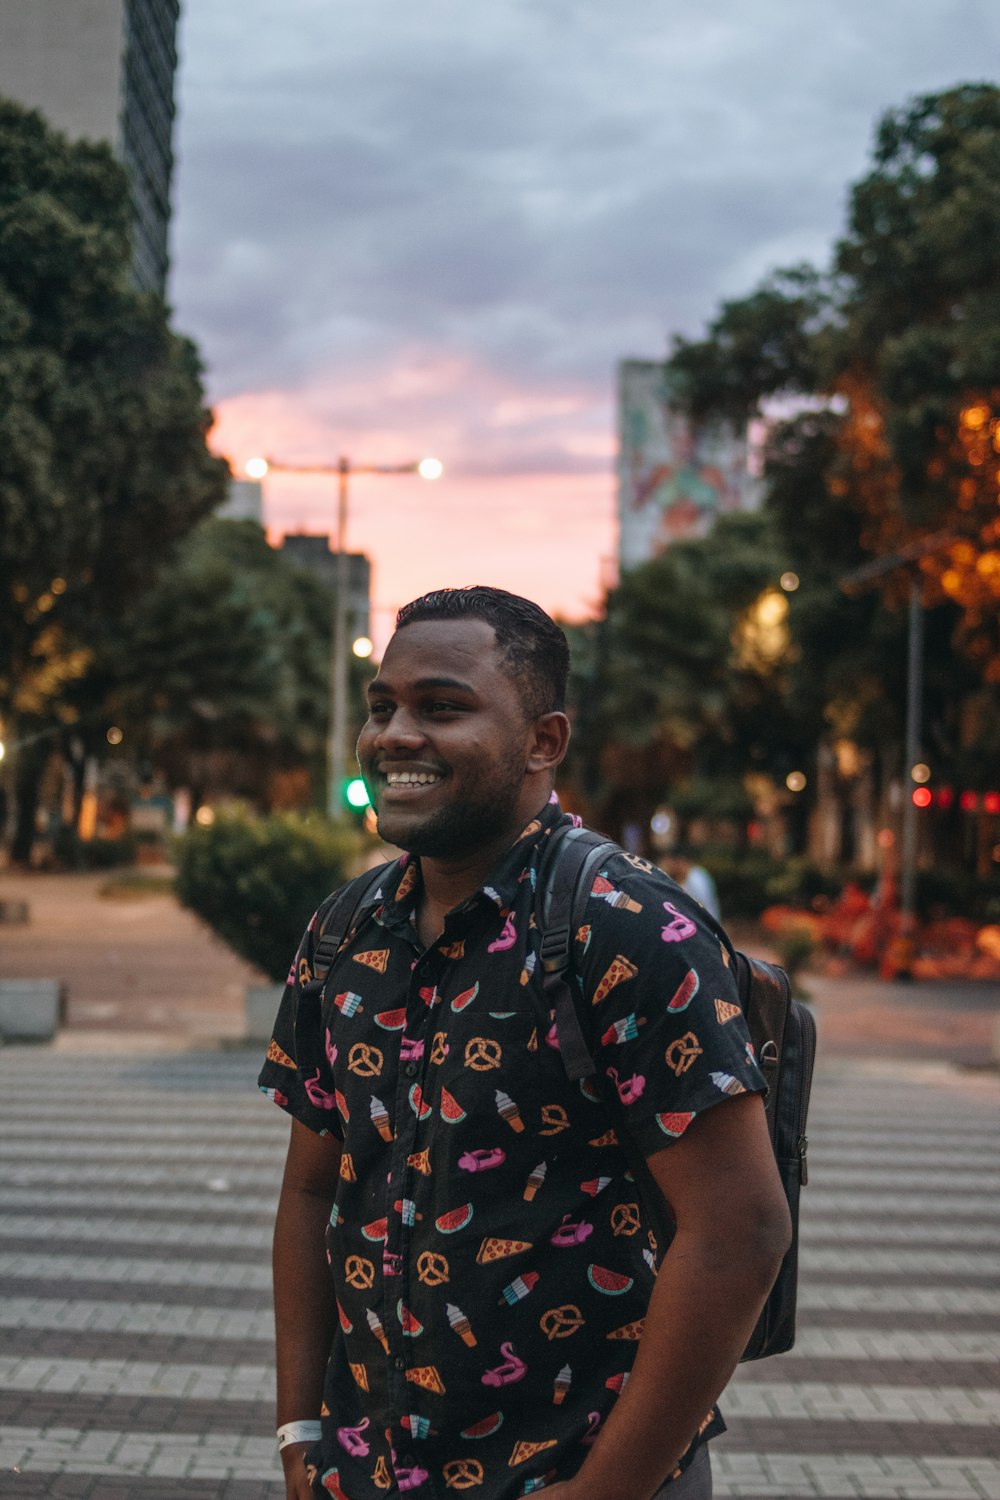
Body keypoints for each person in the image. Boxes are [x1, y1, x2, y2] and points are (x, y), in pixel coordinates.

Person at [258, 586, 790, 1500]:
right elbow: (313, 1191)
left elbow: (740, 1231)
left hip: (572, 1473)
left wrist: (601, 1494)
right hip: (370, 1471)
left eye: (443, 707)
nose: (394, 734)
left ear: (544, 741)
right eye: (383, 705)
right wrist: (301, 1432)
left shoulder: (625, 929)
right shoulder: (345, 931)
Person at [662, 849, 721, 923]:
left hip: (705, 923)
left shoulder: (696, 878)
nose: (670, 866)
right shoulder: (676, 877)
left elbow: (702, 907)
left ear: (681, 861)